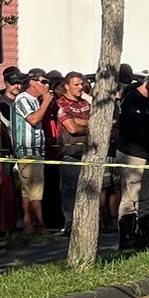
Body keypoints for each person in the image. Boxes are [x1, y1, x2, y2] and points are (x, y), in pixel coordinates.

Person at [116, 70, 149, 249]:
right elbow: (138, 132)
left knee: (128, 199)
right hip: (134, 155)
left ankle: (127, 239)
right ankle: (146, 238)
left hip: (133, 153)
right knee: (145, 198)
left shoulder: (139, 100)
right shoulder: (135, 102)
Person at [11, 70, 51, 237]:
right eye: (43, 81)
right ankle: (41, 225)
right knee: (36, 190)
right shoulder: (23, 99)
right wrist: (46, 103)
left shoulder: (35, 100)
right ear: (32, 82)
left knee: (28, 191)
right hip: (28, 151)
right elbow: (34, 119)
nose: (47, 86)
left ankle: (29, 224)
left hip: (36, 150)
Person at [53, 70, 91, 233]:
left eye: (82, 84)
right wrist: (89, 124)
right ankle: (70, 224)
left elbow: (102, 122)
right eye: (76, 84)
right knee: (70, 191)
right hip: (70, 152)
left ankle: (86, 223)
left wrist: (81, 121)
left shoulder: (86, 103)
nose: (80, 87)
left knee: (89, 190)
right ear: (67, 86)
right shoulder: (61, 103)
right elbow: (72, 129)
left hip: (88, 152)